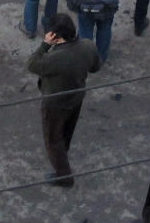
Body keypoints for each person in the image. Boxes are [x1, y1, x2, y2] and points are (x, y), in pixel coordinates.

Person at [27, 13, 101, 187]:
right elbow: (96, 67)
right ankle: (63, 151)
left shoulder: (55, 58)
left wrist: (45, 45)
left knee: (53, 140)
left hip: (55, 103)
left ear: (55, 36)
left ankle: (64, 175)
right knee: (67, 130)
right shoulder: (88, 46)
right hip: (76, 97)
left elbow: (32, 64)